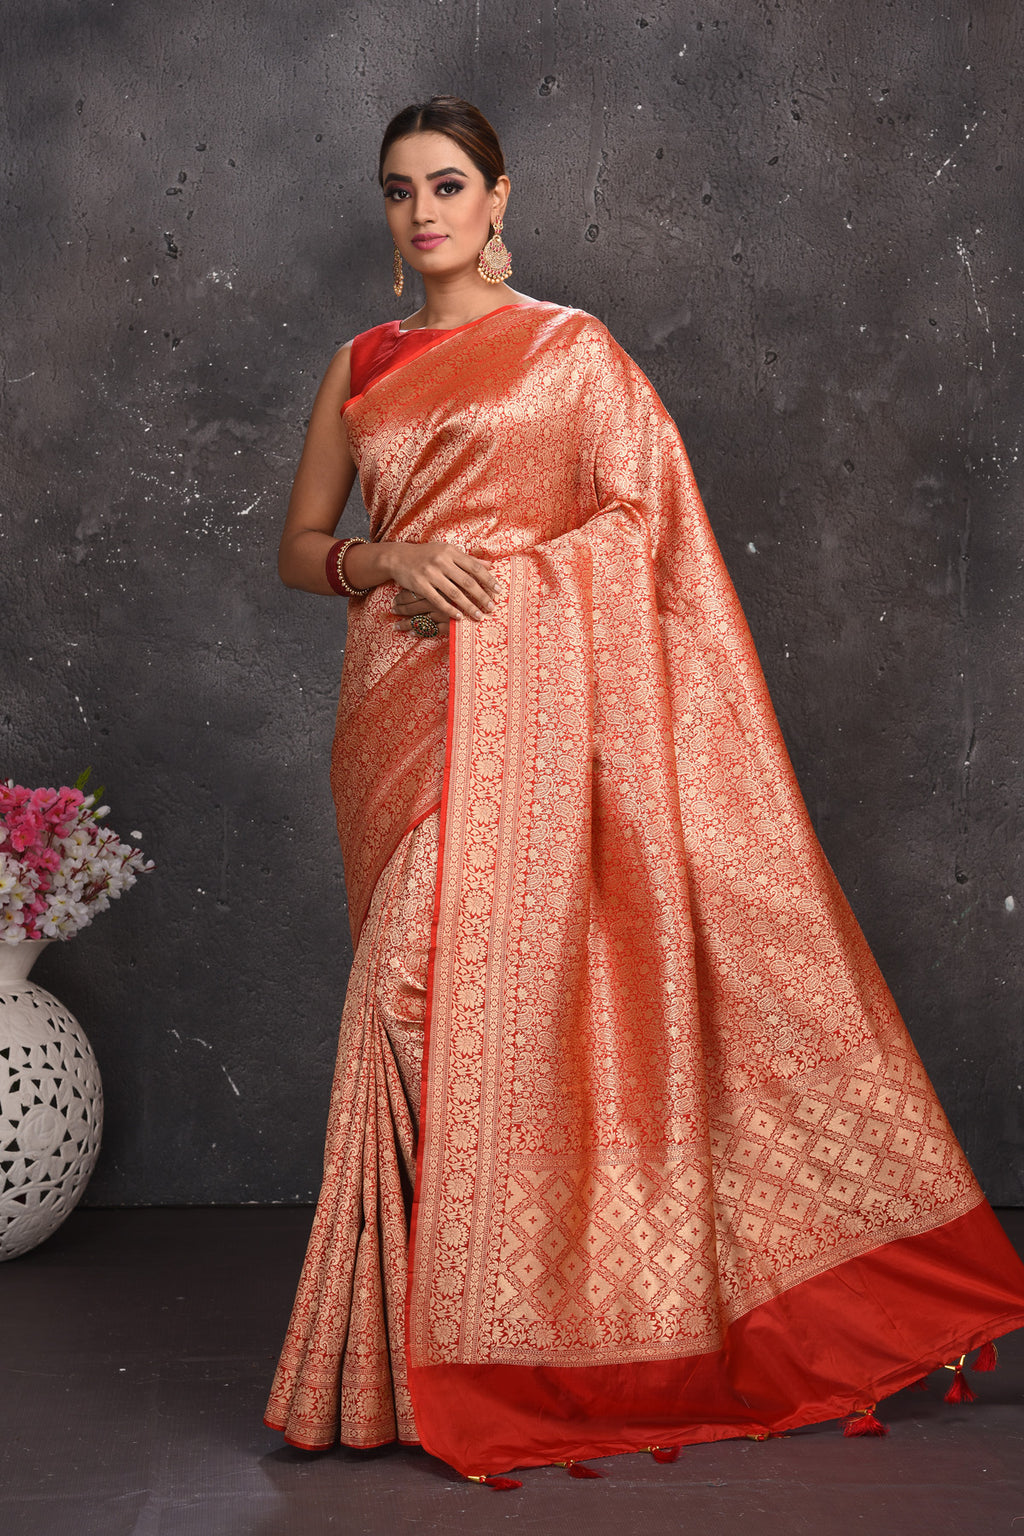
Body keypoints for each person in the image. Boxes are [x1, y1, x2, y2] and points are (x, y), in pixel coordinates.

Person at [264, 95, 1024, 1484]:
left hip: (539, 723)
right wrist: (386, 562)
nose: (423, 211)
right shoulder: (361, 364)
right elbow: (303, 545)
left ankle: (528, 1340)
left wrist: (509, 585)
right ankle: (401, 1363)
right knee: (410, 1006)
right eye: (400, 188)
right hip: (402, 714)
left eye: (448, 184)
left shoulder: (572, 352)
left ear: (500, 197)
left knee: (460, 1001)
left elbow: (643, 526)